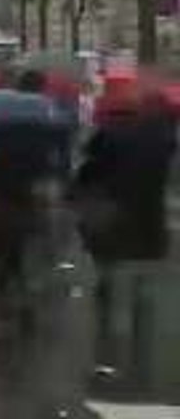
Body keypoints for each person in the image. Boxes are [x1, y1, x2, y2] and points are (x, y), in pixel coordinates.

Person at [72, 85, 177, 386]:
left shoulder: (105, 137)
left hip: (112, 224)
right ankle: (142, 353)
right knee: (143, 290)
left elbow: (85, 177)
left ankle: (107, 358)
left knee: (108, 287)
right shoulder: (163, 140)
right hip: (150, 223)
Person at [0, 69, 63, 323]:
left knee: (3, 238)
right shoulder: (45, 116)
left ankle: (5, 281)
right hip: (31, 188)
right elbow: (53, 155)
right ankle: (25, 285)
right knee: (31, 237)